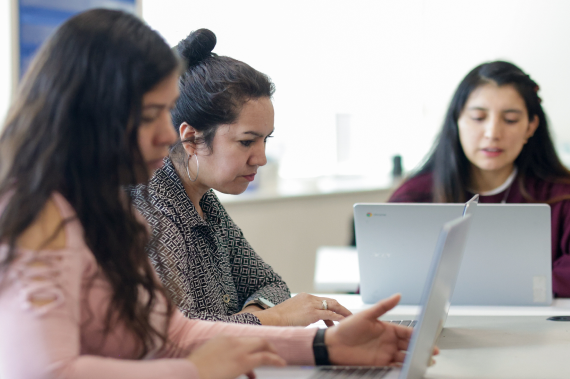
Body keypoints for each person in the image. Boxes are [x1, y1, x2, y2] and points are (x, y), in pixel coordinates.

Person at [0, 9, 423, 379]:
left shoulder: (110, 211)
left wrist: (321, 347)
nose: (169, 136)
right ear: (92, 114)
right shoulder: (38, 213)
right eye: (152, 116)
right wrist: (199, 368)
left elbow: (174, 334)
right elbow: (43, 372)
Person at [132, 29, 351, 326]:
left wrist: (252, 318)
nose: (260, 158)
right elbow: (179, 336)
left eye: (265, 140)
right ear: (192, 139)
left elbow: (272, 285)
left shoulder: (204, 201)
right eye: (247, 142)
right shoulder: (152, 207)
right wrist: (273, 319)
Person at [389, 61, 570, 297]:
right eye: (478, 117)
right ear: (457, 121)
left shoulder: (561, 196)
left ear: (530, 127)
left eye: (511, 120)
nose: (493, 133)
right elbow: (382, 281)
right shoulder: (414, 196)